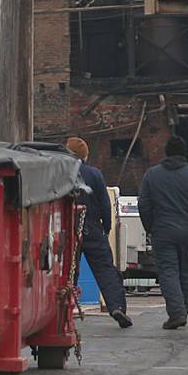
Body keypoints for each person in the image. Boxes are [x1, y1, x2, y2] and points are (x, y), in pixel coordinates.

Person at [138, 135, 188, 330]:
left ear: (166, 152)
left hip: (162, 230)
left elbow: (144, 204)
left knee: (168, 271)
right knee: (185, 271)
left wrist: (150, 227)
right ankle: (183, 311)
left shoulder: (152, 175)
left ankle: (177, 313)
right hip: (187, 230)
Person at [65, 137, 132, 329]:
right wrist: (107, 227)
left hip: (68, 228)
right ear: (85, 155)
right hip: (93, 227)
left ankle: (65, 309)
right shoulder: (94, 174)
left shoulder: (60, 173)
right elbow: (105, 203)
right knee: (105, 270)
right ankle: (116, 306)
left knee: (69, 271)